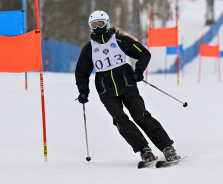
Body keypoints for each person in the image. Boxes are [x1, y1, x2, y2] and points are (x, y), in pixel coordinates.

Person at [75, 10, 180, 162]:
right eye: (94, 25)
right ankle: (144, 150)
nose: (98, 27)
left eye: (101, 24)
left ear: (107, 23)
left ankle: (167, 147)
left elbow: (144, 54)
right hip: (106, 91)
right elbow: (81, 73)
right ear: (90, 27)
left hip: (127, 85)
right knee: (120, 119)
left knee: (141, 116)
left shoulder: (119, 41)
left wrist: (138, 71)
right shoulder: (89, 49)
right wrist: (83, 91)